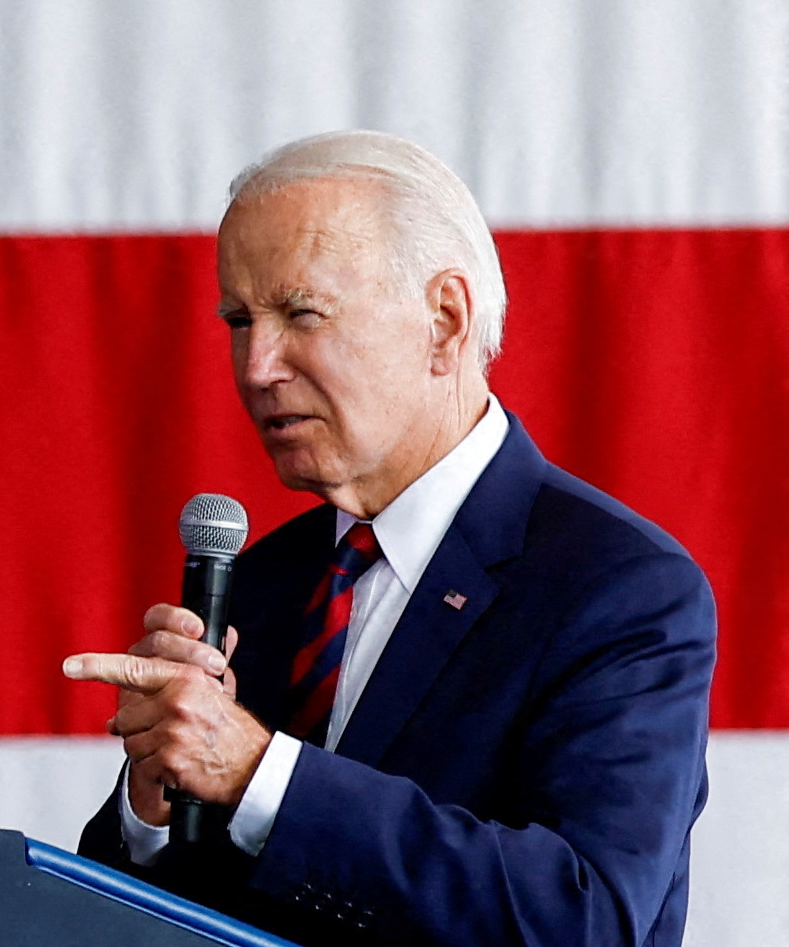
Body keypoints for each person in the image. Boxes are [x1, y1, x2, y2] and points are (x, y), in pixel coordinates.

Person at [60, 130, 712, 947]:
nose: (256, 364)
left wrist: (258, 774)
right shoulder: (260, 581)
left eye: (301, 312)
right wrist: (157, 804)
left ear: (443, 320)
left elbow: (581, 917)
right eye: (237, 318)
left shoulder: (619, 586)